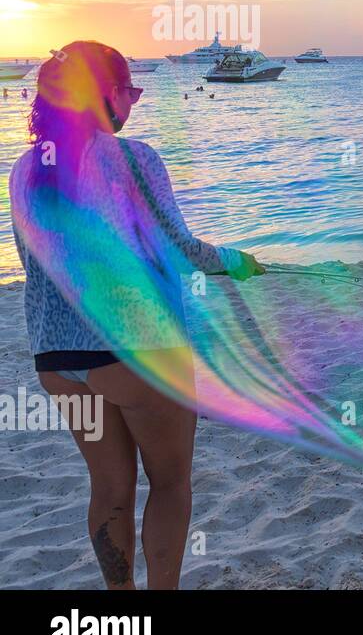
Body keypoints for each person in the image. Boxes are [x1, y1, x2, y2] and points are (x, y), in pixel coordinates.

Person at [8, 41, 263, 589]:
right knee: (170, 485)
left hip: (58, 358)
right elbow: (178, 247)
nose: (135, 104)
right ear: (106, 94)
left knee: (109, 488)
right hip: (142, 349)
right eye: (131, 91)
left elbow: (39, 262)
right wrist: (236, 262)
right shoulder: (134, 158)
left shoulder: (25, 169)